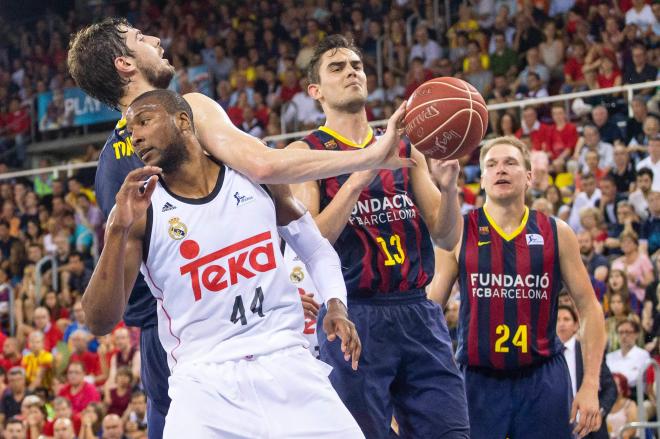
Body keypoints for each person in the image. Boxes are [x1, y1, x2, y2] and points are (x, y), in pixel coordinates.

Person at [68, 18, 409, 438]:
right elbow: (266, 164)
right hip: (196, 342)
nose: (156, 40)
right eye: (141, 38)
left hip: (176, 338)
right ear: (124, 64)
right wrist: (369, 156)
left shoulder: (106, 165)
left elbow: (292, 238)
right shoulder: (190, 106)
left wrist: (279, 291)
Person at [83, 89, 368, 437]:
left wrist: (336, 304)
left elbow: (316, 249)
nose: (136, 135)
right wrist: (116, 230)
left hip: (288, 364)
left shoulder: (254, 180)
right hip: (204, 384)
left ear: (184, 120)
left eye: (144, 121)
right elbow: (99, 321)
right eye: (130, 131)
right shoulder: (140, 211)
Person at [290, 35, 468, 438]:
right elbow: (309, 242)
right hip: (354, 313)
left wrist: (450, 186)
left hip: (418, 311)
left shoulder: (405, 147)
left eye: (356, 65)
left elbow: (446, 234)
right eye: (337, 67)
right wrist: (361, 174)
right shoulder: (309, 152)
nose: (351, 71)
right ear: (315, 91)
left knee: (452, 431)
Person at [436, 136, 606, 438]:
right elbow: (429, 311)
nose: (500, 169)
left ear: (529, 176)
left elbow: (590, 308)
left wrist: (590, 383)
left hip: (542, 377)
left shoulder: (557, 231)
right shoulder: (459, 232)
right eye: (491, 165)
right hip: (477, 379)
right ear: (482, 179)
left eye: (510, 163)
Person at [557, 305, 617, 439]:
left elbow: (611, 388)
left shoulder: (587, 352)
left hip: (590, 431)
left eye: (566, 319)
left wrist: (598, 413)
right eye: (558, 319)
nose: (561, 323)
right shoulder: (546, 355)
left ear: (576, 325)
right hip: (556, 428)